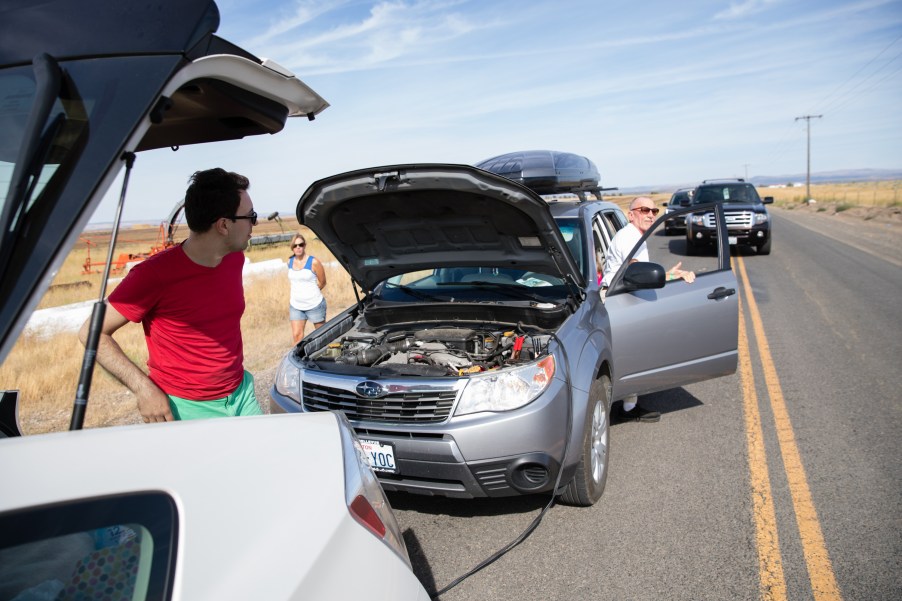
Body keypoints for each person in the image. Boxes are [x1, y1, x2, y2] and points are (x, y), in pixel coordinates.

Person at [79, 168, 262, 422]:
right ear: (223, 225)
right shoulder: (153, 275)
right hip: (185, 409)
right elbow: (92, 332)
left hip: (241, 394)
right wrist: (144, 389)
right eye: (251, 216)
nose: (255, 222)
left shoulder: (234, 258)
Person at [602, 196, 695, 423]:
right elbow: (638, 270)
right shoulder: (629, 237)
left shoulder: (636, 236)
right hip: (617, 298)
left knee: (632, 349)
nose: (651, 214)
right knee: (629, 351)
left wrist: (670, 274)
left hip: (625, 294)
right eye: (645, 210)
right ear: (631, 213)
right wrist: (669, 275)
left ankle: (628, 404)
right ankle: (623, 406)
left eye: (654, 210)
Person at [287, 232, 327, 344]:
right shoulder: (289, 262)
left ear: (305, 245)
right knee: (297, 335)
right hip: (296, 306)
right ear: (292, 248)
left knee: (322, 335)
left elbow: (323, 282)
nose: (298, 247)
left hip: (315, 305)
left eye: (301, 244)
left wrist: (311, 293)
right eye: (295, 246)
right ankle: (300, 359)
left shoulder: (314, 262)